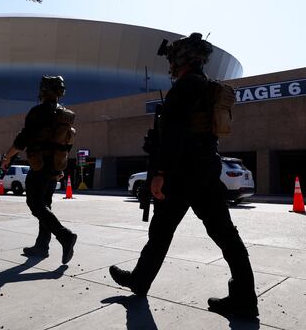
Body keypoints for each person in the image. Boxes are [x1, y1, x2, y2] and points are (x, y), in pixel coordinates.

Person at [109, 33, 259, 318]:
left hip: (181, 173)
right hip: (206, 168)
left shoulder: (185, 87)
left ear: (183, 60)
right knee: (225, 234)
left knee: (162, 231)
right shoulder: (207, 87)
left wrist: (160, 172)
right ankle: (245, 298)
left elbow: (175, 135)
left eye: (173, 61)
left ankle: (139, 281)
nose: (171, 66)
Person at [1, 75, 78, 264]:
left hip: (40, 166)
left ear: (44, 91)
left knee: (35, 204)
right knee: (45, 205)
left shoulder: (37, 112)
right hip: (55, 166)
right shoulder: (64, 115)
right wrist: (60, 166)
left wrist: (7, 156)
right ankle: (42, 246)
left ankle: (65, 236)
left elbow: (22, 140)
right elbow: (66, 144)